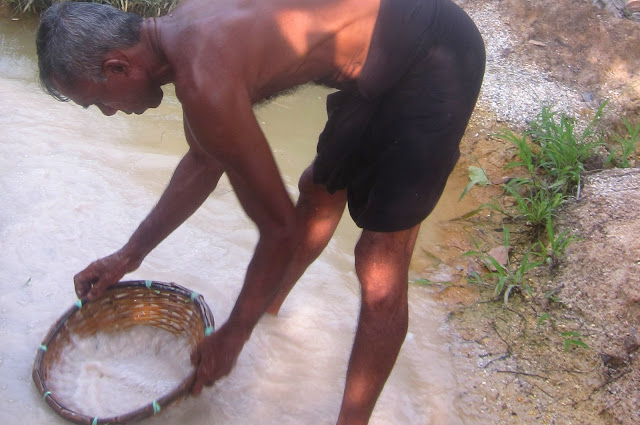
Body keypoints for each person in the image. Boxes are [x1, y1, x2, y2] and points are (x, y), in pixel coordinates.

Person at [36, 0, 485, 423]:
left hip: (436, 56)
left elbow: (279, 231)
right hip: (382, 50)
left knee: (379, 262)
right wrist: (127, 256)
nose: (110, 113)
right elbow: (202, 161)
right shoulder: (181, 29)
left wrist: (234, 333)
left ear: (118, 66)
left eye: (98, 101)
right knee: (317, 192)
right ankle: (272, 315)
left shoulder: (203, 81)